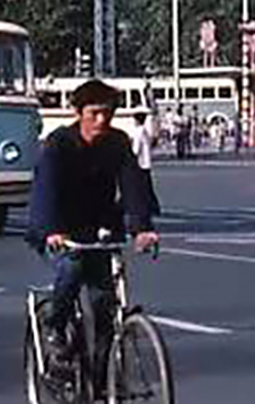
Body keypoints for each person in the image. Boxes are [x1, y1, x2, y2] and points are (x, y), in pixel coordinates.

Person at [24, 79, 158, 360]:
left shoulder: (118, 143)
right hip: (58, 228)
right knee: (72, 269)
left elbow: (133, 184)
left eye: (107, 113)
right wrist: (52, 230)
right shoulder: (59, 144)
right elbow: (46, 187)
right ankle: (55, 325)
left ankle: (101, 381)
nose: (101, 120)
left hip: (99, 230)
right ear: (78, 112)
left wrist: (142, 228)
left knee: (104, 305)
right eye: (93, 113)